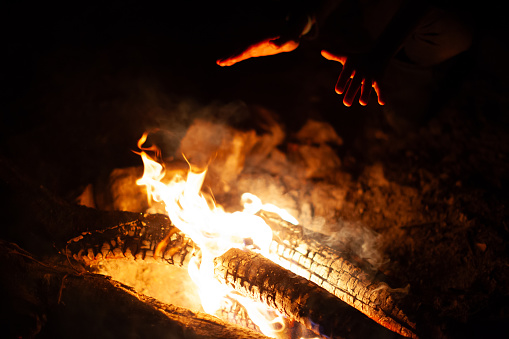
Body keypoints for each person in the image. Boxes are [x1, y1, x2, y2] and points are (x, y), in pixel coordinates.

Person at [216, 0, 472, 107]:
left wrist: (381, 53)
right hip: (373, 27)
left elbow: (423, 8)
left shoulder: (454, 29)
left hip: (432, 43)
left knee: (404, 114)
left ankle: (430, 86)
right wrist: (299, 24)